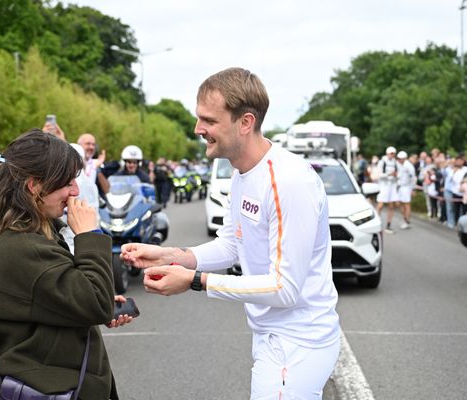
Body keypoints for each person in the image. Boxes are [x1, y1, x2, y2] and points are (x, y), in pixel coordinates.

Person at [121, 68, 340, 400]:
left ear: (245, 122)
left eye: (208, 120)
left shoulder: (288, 181)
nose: (198, 129)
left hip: (298, 344)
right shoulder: (241, 172)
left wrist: (195, 281)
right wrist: (167, 255)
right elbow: (233, 243)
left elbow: (285, 289)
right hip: (271, 336)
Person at [0, 129, 129, 399]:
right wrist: (89, 236)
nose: (75, 191)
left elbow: (45, 297)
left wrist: (92, 298)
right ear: (34, 186)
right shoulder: (24, 246)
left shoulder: (21, 233)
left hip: (51, 379)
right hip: (52, 386)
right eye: (67, 182)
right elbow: (95, 301)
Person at [376, 146, 401, 233]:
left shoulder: (396, 163)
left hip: (392, 186)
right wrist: (389, 174)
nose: (392, 155)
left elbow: (399, 175)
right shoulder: (382, 162)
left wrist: (396, 175)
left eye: (394, 154)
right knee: (380, 205)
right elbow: (379, 175)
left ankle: (388, 225)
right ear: (387, 153)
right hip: (384, 186)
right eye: (391, 153)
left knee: (391, 206)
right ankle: (377, 223)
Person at [396, 151, 416, 229]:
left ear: (405, 158)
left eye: (401, 158)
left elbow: (413, 178)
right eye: (399, 158)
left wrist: (413, 189)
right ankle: (405, 219)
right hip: (401, 187)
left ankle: (407, 221)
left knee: (407, 204)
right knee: (400, 204)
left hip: (406, 187)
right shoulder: (400, 165)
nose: (400, 160)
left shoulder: (409, 166)